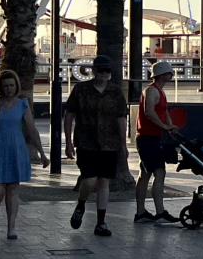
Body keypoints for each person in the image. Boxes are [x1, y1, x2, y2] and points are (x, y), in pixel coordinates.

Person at [64, 55, 129, 237]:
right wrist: (68, 142)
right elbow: (69, 115)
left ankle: (101, 222)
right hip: (86, 141)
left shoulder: (115, 92)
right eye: (101, 70)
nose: (104, 74)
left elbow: (121, 118)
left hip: (110, 143)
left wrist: (123, 144)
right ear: (94, 71)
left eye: (107, 71)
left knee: (104, 181)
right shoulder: (81, 90)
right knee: (89, 179)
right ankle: (81, 203)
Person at [0, 69, 44, 239]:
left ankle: (11, 227)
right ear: (0, 87)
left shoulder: (23, 104)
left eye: (12, 85)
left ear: (16, 87)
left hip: (16, 150)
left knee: (13, 189)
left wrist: (42, 153)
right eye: (5, 86)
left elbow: (31, 129)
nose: (9, 89)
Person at [135, 60, 181, 224]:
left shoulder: (159, 91)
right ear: (162, 75)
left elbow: (163, 111)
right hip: (148, 137)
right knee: (159, 172)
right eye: (169, 73)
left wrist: (169, 125)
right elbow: (149, 112)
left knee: (144, 174)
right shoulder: (152, 91)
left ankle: (141, 212)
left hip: (151, 136)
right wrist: (164, 126)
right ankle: (159, 211)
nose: (171, 75)